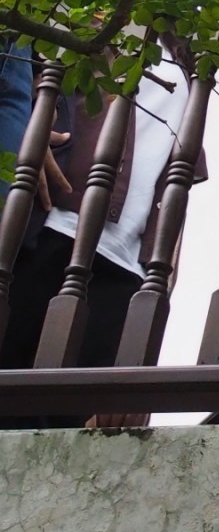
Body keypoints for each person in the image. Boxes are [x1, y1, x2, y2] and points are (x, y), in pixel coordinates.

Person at [1, 39, 202, 428]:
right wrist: (29, 133)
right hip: (49, 235)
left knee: (68, 430)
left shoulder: (187, 73)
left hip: (126, 272)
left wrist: (154, 314)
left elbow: (174, 200)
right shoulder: (87, 28)